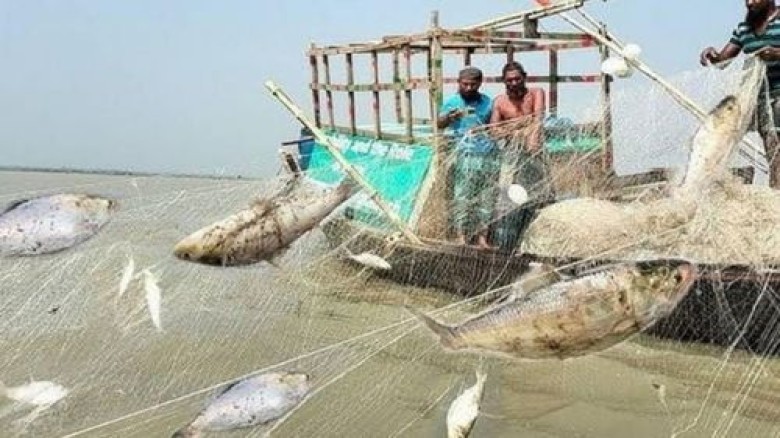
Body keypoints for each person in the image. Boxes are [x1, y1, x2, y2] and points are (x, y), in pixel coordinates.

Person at [700, 0, 780, 188]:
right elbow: (723, 60)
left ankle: (776, 196)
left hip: (778, 95)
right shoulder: (744, 28)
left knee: (775, 143)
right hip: (756, 97)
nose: (749, 3)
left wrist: (777, 53)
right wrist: (712, 55)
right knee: (727, 134)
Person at [489, 61, 551, 250]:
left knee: (539, 197)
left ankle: (535, 242)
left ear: (524, 77)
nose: (514, 83)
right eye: (509, 80)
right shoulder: (500, 101)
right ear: (504, 81)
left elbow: (537, 120)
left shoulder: (536, 93)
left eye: (517, 79)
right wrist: (516, 129)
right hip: (511, 155)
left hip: (534, 154)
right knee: (509, 198)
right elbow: (494, 130)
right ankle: (507, 245)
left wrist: (530, 138)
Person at [437, 67, 497, 248]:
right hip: (464, 155)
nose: (469, 88)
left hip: (487, 155)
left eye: (473, 84)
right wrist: (449, 117)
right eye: (465, 84)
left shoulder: (487, 102)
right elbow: (439, 123)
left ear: (480, 83)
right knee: (462, 196)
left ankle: (482, 239)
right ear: (459, 83)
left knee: (486, 197)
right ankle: (461, 237)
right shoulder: (452, 102)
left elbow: (493, 125)